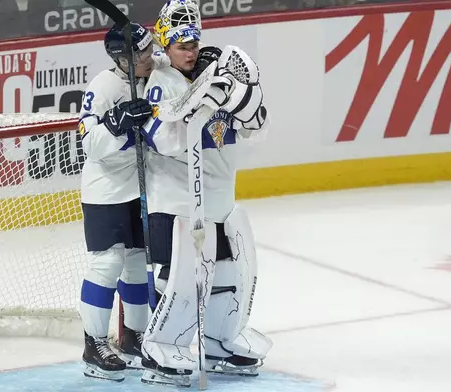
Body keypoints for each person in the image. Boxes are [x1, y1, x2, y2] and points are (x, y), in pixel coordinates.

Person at [138, 0, 272, 387]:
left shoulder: (216, 78)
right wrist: (197, 100)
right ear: (166, 44)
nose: (190, 51)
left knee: (228, 275)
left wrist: (239, 97)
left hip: (216, 201)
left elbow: (258, 131)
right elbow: (162, 140)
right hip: (177, 200)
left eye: (193, 44)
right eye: (182, 45)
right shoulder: (163, 82)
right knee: (180, 278)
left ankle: (217, 341)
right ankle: (160, 345)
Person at [77, 21, 156, 382]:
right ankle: (94, 343)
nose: (149, 58)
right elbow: (88, 145)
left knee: (137, 262)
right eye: (142, 54)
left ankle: (132, 337)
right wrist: (115, 124)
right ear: (122, 59)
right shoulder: (103, 87)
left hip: (140, 187)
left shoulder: (152, 74)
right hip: (105, 188)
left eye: (150, 49)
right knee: (108, 263)